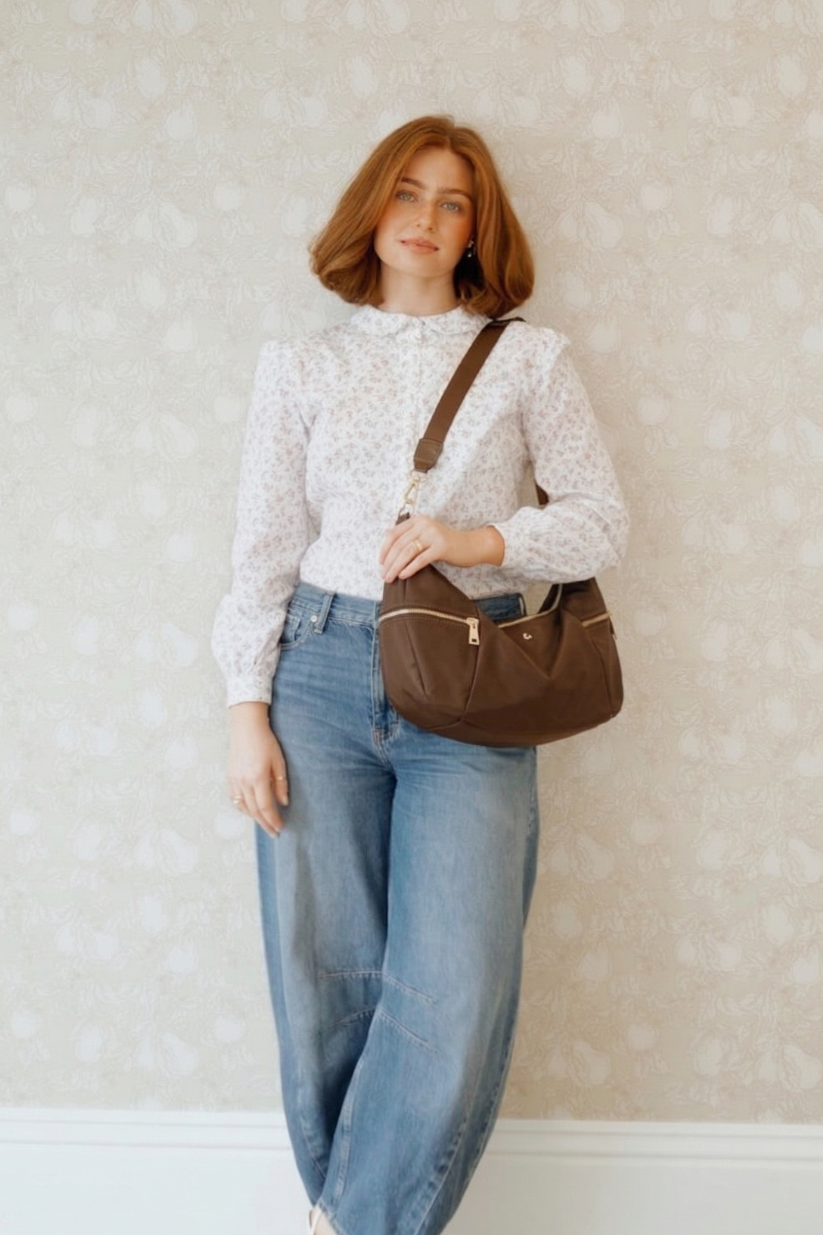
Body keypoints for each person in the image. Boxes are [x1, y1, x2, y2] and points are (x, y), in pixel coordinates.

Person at [212, 115, 628, 1235]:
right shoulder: (303, 362)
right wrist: (247, 710)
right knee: (325, 981)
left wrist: (478, 539)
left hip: (469, 678)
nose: (428, 219)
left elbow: (600, 521)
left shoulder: (527, 357)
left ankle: (350, 1220)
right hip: (317, 671)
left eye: (454, 202)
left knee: (455, 987)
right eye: (409, 192)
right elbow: (260, 547)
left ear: (477, 229)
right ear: (373, 206)